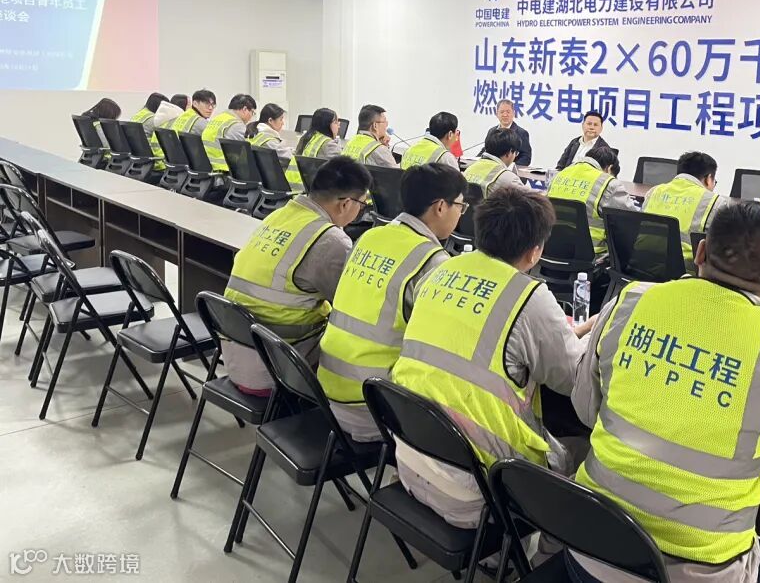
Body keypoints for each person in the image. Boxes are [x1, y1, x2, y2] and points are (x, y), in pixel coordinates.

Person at [571, 202, 760, 583]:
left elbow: (585, 408)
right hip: (698, 571)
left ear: (700, 252)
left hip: (588, 547)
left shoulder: (629, 303)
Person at [391, 188, 593, 527]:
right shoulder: (529, 297)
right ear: (535, 251)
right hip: (483, 490)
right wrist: (592, 337)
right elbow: (574, 379)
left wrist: (565, 333)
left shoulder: (440, 271)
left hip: (413, 458)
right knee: (588, 450)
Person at [318, 164, 467, 441]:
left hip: (327, 387)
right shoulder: (432, 261)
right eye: (460, 206)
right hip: (372, 407)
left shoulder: (368, 237)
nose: (461, 214)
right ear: (440, 207)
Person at [223, 156, 371, 394]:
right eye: (362, 205)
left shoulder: (279, 215)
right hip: (278, 369)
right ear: (345, 204)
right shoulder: (329, 240)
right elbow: (351, 309)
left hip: (238, 356)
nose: (360, 212)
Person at [643, 151, 728, 271]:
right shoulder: (715, 202)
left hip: (643, 265)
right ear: (709, 178)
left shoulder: (653, 192)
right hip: (684, 272)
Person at [547, 145, 635, 258]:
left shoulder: (560, 175)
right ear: (609, 168)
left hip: (551, 249)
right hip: (590, 255)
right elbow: (631, 218)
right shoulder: (607, 183)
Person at [285, 107, 343, 188]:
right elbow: (342, 169)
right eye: (336, 122)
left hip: (291, 186)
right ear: (326, 124)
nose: (339, 126)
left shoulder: (306, 138)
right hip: (308, 190)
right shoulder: (329, 145)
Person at [202, 93, 257, 173]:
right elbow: (253, 147)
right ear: (245, 109)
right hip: (225, 170)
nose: (251, 117)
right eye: (252, 112)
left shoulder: (218, 118)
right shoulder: (236, 125)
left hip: (210, 165)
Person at [463, 128, 523, 197]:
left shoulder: (469, 168)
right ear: (509, 152)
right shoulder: (508, 179)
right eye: (516, 153)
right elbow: (530, 200)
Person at [343, 104, 396, 168]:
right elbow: (396, 172)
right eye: (385, 122)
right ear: (375, 125)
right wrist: (383, 148)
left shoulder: (350, 142)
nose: (386, 125)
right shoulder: (379, 149)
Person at [487, 98, 532, 166]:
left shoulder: (522, 133)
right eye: (502, 112)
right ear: (497, 114)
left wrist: (510, 166)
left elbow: (526, 157)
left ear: (513, 113)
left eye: (508, 112)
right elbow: (486, 150)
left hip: (511, 170)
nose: (505, 115)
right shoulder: (492, 131)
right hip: (492, 167)